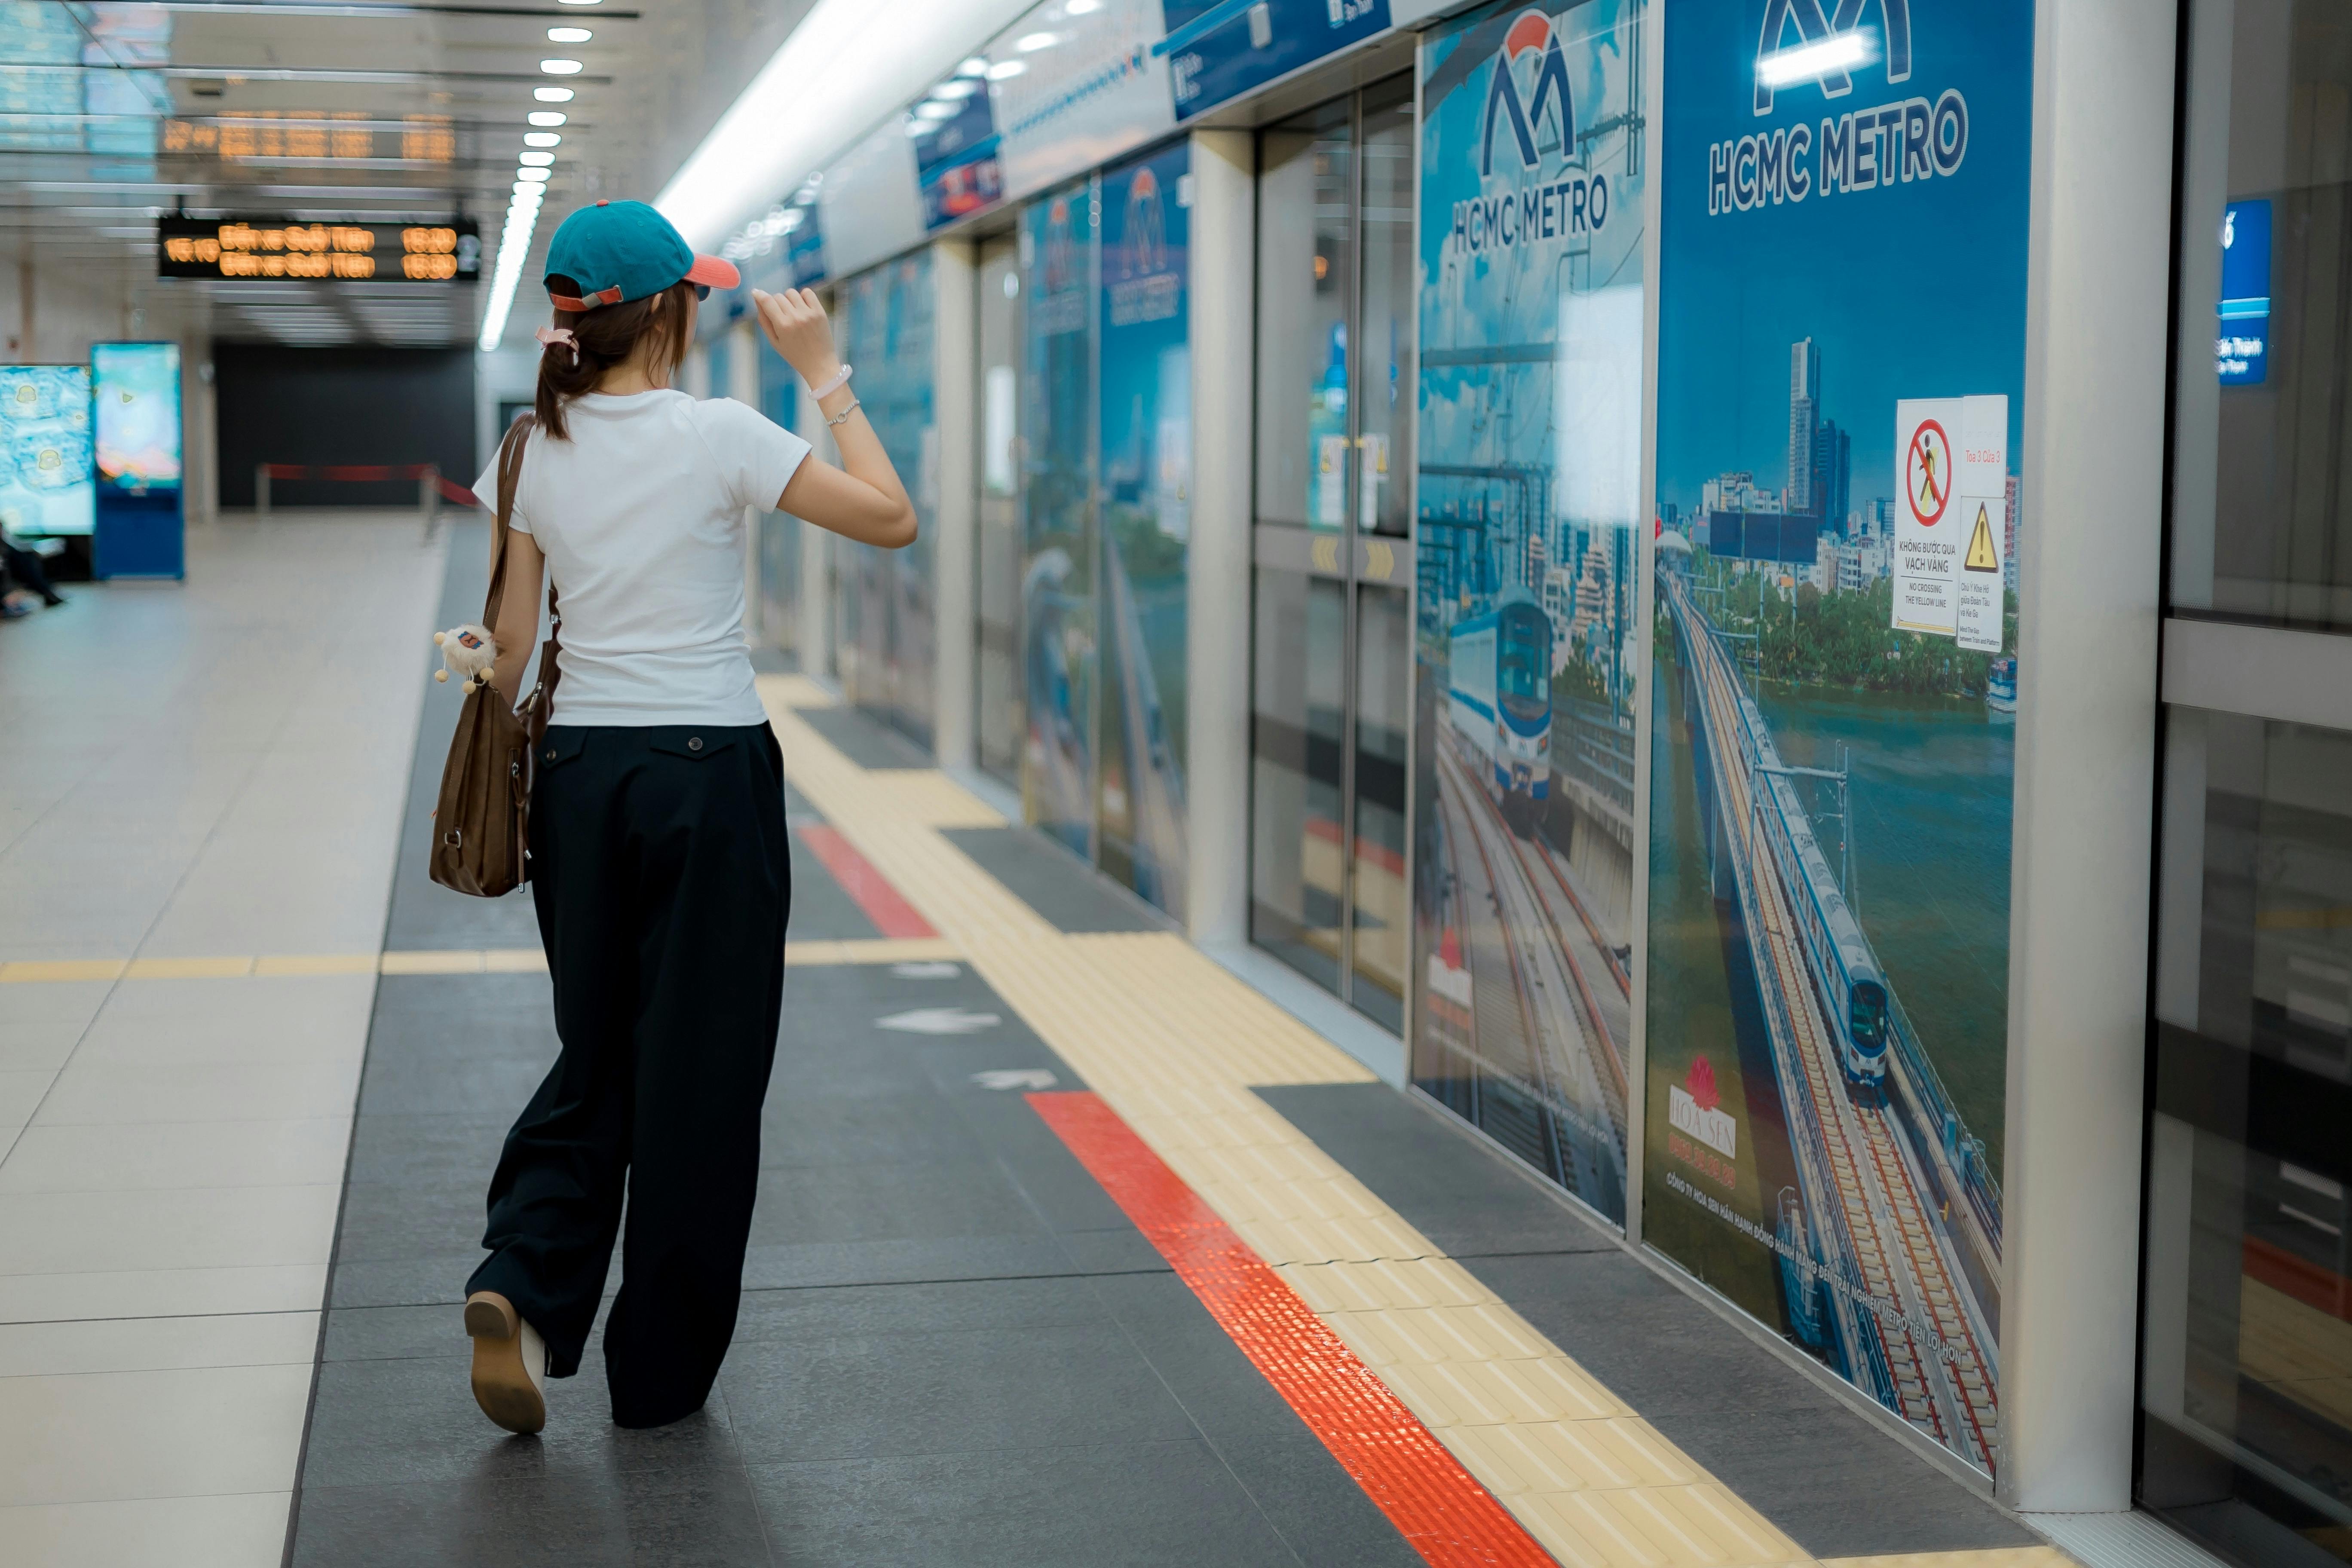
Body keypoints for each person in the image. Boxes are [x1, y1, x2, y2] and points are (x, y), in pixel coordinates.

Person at [459, 199, 915, 1436]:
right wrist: (827, 378)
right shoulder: (720, 434)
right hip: (707, 773)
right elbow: (890, 515)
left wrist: (475, 656)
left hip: (582, 779)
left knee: (596, 1048)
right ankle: (654, 1378)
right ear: (669, 310)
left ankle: (522, 1276)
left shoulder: (525, 449)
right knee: (700, 1077)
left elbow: (505, 651)